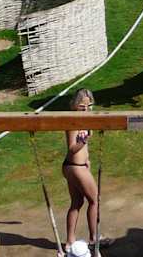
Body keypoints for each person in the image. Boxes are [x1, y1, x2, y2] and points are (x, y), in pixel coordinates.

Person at [62, 89, 100, 255]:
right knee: (94, 200)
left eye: (89, 105)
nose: (86, 109)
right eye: (82, 106)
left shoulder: (85, 120)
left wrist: (87, 160)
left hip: (76, 166)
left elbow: (84, 147)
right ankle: (93, 238)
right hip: (75, 167)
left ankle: (70, 241)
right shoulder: (73, 122)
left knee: (77, 202)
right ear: (75, 105)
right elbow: (72, 148)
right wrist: (84, 140)